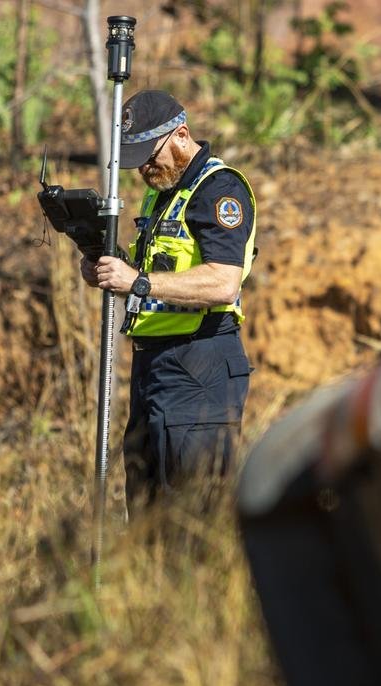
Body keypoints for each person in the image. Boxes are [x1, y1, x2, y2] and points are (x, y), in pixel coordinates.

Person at [79, 90, 257, 515]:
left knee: (191, 515)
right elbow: (160, 270)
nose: (144, 168)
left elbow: (222, 282)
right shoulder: (162, 190)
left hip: (200, 369)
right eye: (137, 158)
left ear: (181, 135)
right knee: (146, 511)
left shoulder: (219, 189)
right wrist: (110, 269)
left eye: (149, 154)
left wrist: (138, 284)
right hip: (154, 370)